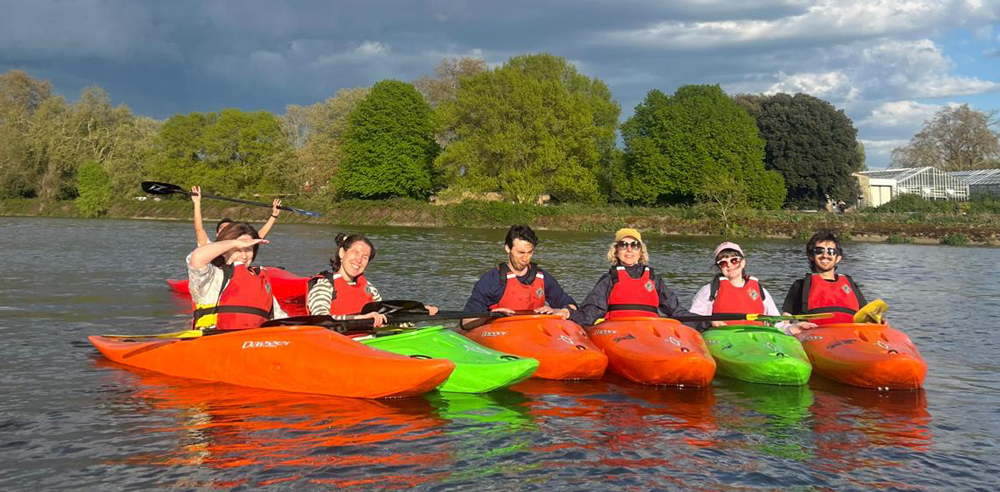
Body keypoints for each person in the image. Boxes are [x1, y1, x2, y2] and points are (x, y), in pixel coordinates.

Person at [568, 228, 705, 330]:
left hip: (650, 332)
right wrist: (570, 314)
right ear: (616, 251)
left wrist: (705, 323)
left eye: (634, 245)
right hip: (618, 332)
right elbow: (592, 312)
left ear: (640, 251)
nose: (629, 250)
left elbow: (676, 311)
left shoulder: (654, 279)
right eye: (623, 245)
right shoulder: (609, 279)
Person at [306, 233, 437, 327]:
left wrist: (416, 313)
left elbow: (388, 318)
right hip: (338, 344)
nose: (359, 260)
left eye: (365, 257)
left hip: (368, 345)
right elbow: (320, 320)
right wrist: (358, 318)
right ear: (342, 253)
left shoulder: (370, 289)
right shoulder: (324, 285)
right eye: (355, 252)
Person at [462, 225, 578, 325]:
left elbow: (572, 306)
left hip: (534, 335)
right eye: (521, 253)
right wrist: (490, 315)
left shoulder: (542, 277)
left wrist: (560, 311)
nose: (525, 259)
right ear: (508, 248)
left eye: (530, 253)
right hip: (501, 334)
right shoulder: (492, 280)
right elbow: (466, 322)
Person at [689, 241, 808, 334]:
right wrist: (709, 321)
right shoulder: (709, 290)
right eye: (723, 263)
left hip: (756, 338)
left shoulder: (759, 291)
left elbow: (777, 323)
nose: (729, 265)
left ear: (743, 263)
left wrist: (792, 328)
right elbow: (693, 320)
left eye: (734, 260)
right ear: (719, 267)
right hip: (723, 339)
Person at [187, 221, 286, 330]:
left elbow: (279, 318)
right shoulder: (212, 277)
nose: (244, 256)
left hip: (254, 341)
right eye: (237, 250)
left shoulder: (261, 281)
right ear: (224, 252)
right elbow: (197, 259)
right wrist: (235, 242)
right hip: (216, 340)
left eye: (248, 249)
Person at [782, 230, 871, 332]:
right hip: (815, 338)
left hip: (851, 337)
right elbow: (785, 321)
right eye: (819, 251)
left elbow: (867, 317)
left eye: (831, 251)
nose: (825, 255)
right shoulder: (800, 286)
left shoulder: (850, 285)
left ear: (838, 258)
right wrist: (789, 329)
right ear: (811, 256)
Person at [191, 185, 281, 246]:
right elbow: (199, 229)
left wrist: (274, 215)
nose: (226, 229)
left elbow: (259, 236)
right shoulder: (208, 246)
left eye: (229, 228)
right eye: (222, 228)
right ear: (217, 234)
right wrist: (197, 203)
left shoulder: (239, 248)